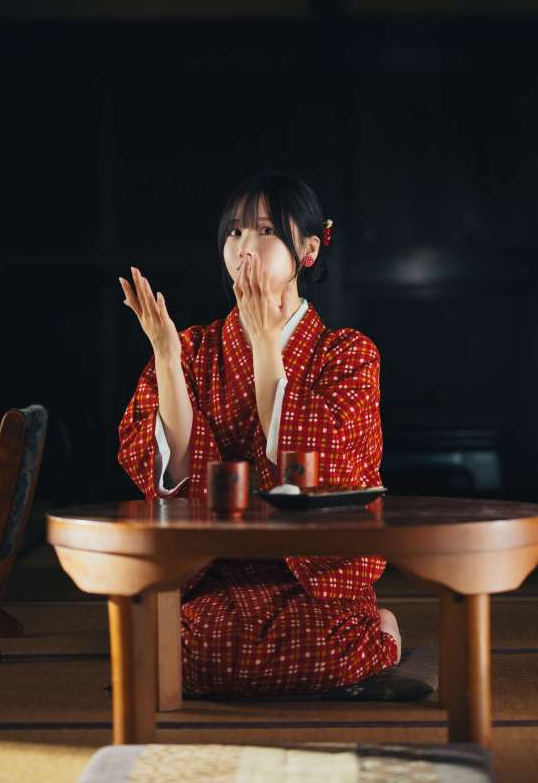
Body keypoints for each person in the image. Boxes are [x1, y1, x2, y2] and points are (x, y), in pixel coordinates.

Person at [117, 170, 401, 696]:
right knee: (201, 653)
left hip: (313, 575)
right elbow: (178, 472)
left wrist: (268, 347)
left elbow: (326, 465)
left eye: (266, 231)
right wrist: (167, 359)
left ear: (308, 250)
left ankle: (380, 627)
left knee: (325, 650)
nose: (245, 246)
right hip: (221, 570)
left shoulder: (347, 353)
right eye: (235, 232)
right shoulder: (195, 349)